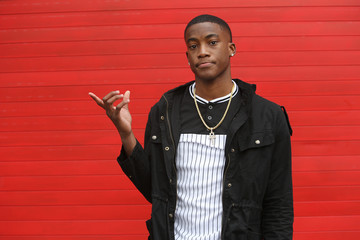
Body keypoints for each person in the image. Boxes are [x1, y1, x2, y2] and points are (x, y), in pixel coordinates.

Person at [89, 14, 293, 240]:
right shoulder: (165, 111)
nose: (202, 51)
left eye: (212, 42)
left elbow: (279, 203)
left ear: (231, 48)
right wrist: (126, 134)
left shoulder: (266, 115)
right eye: (193, 46)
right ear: (187, 56)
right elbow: (154, 191)